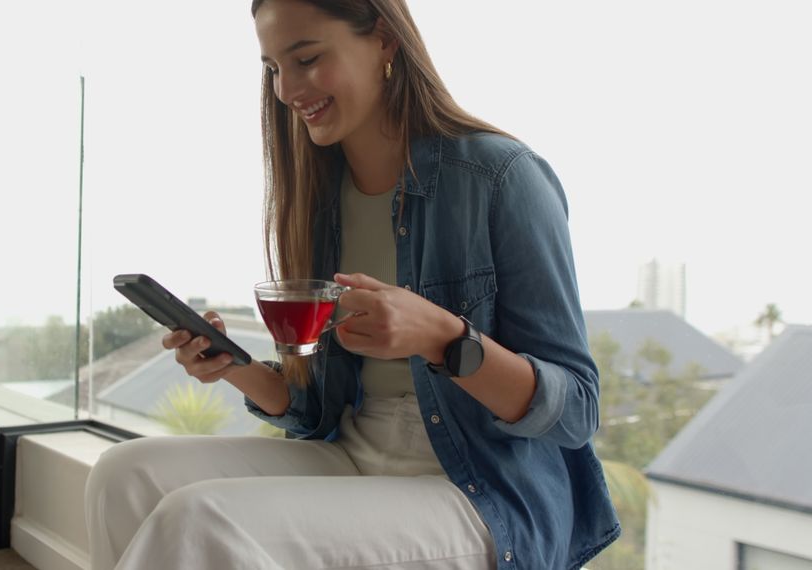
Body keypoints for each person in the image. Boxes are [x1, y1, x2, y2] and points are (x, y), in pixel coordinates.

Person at [85, 0, 620, 568]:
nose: (288, 89)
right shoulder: (320, 199)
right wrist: (234, 366)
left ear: (385, 41)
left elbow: (576, 411)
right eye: (272, 68)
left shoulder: (502, 176)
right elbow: (315, 410)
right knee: (124, 474)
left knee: (197, 521)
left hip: (478, 487)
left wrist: (443, 337)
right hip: (351, 448)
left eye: (307, 59)